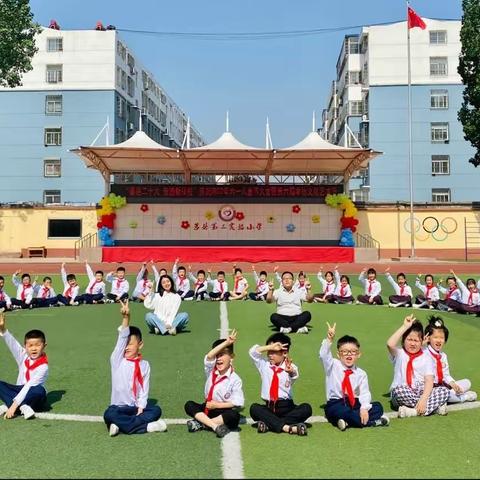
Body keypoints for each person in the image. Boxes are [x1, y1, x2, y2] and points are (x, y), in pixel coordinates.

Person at [103, 300, 166, 436]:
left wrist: (141, 407)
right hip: (118, 408)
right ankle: (146, 427)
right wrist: (126, 318)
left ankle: (120, 425)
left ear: (140, 345)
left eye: (130, 344)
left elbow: (144, 390)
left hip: (135, 408)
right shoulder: (117, 360)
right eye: (125, 344)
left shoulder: (145, 365)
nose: (126, 347)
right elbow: (122, 338)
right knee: (109, 413)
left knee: (156, 410)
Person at [319, 321, 389, 430]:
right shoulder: (332, 365)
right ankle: (374, 422)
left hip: (354, 403)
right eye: (345, 352)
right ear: (338, 354)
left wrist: (364, 408)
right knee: (338, 411)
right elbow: (323, 355)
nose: (349, 355)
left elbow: (364, 393)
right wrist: (329, 340)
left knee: (378, 406)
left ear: (358, 354)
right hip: (336, 402)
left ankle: (347, 421)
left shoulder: (361, 373)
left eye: (353, 352)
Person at [386, 314, 449, 418]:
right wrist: (405, 326)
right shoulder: (400, 354)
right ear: (403, 340)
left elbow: (429, 380)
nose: (413, 344)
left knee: (444, 391)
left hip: (421, 392)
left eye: (416, 341)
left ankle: (413, 411)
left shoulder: (426, 356)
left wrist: (424, 399)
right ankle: (432, 407)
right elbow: (390, 344)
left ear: (422, 341)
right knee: (399, 391)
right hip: (404, 393)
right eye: (409, 340)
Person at [184, 329, 244, 438]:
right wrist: (226, 342)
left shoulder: (235, 379)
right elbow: (209, 356)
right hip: (207, 407)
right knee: (189, 405)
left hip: (222, 411)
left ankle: (201, 423)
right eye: (217, 355)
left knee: (234, 415)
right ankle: (214, 426)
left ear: (232, 356)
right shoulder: (211, 370)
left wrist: (217, 405)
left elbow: (238, 402)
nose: (218, 358)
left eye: (222, 355)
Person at [249, 332, 312, 435]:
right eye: (269, 351)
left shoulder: (291, 366)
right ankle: (288, 428)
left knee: (306, 408)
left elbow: (294, 374)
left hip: (286, 407)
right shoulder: (264, 365)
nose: (270, 355)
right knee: (254, 408)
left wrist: (290, 371)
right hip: (269, 406)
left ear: (285, 353)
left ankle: (269, 424)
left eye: (274, 352)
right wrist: (271, 346)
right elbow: (252, 352)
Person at [0, 310, 48, 419]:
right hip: (19, 391)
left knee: (39, 390)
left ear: (44, 346)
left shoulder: (43, 366)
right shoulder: (24, 356)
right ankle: (22, 407)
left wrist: (13, 406)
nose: (34, 348)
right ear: (25, 346)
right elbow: (12, 344)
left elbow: (29, 386)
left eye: (37, 345)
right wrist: (3, 329)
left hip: (34, 396)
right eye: (30, 345)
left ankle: (13, 405)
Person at [423, 315, 476, 404]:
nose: (439, 340)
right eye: (435, 337)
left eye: (442, 338)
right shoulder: (424, 352)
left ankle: (452, 395)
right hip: (429, 388)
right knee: (445, 393)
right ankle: (463, 397)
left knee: (467, 382)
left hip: (443, 386)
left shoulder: (443, 356)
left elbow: (446, 374)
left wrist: (453, 384)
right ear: (428, 338)